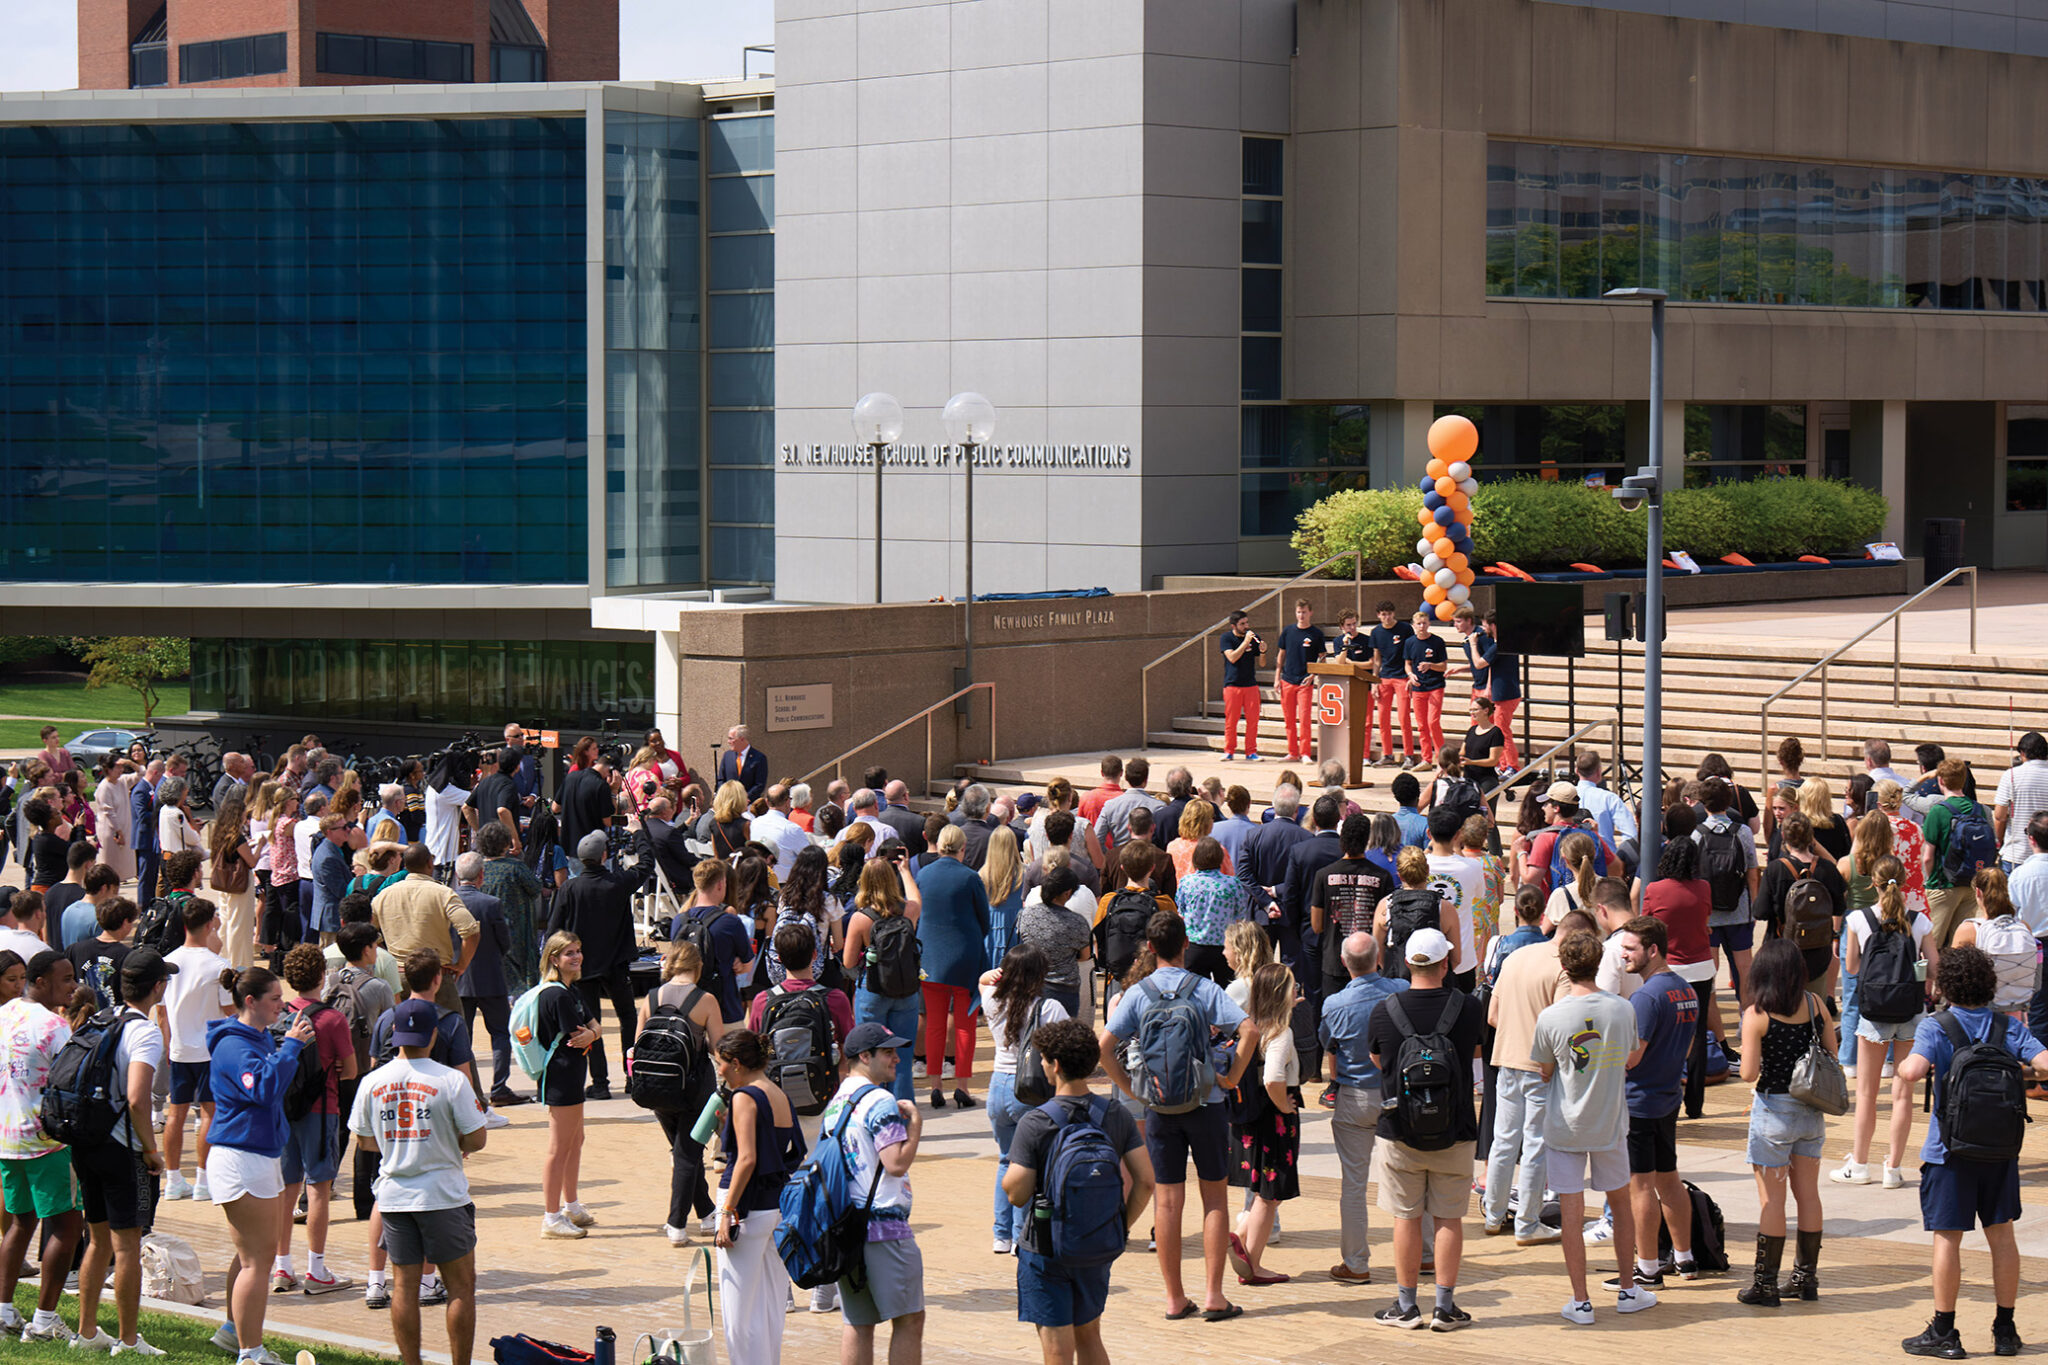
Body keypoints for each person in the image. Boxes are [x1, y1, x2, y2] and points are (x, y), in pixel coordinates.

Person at [1099, 911, 1257, 1322]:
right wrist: (1231, 1077)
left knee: (1167, 1202)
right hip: (1205, 1104)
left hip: (1160, 1107)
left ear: (1149, 948)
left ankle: (1173, 1299)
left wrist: (1133, 1089)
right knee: (1215, 1199)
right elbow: (1250, 1031)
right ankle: (1214, 1296)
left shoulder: (1138, 993)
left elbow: (1104, 1045)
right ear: (1185, 943)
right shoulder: (1203, 989)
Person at [1895, 944, 2047, 1360]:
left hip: (1950, 1152)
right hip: (2000, 1150)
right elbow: (2045, 1062)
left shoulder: (1936, 1025)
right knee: (2003, 1237)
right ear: (1988, 984)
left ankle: (1945, 1329)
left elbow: (1910, 1071)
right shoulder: (2007, 1025)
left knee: (1948, 1239)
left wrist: (1913, 1065)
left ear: (1945, 985)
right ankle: (2006, 1329)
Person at [1001, 1017, 1153, 1365]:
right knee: (1090, 1336)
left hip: (1046, 1248)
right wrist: (1119, 1224)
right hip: (1097, 1243)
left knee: (1057, 1349)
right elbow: (1146, 1181)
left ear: (1055, 1065)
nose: (1041, 1064)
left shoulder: (1036, 1121)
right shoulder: (1114, 1114)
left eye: (1043, 1059)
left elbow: (1017, 1193)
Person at [350, 997, 488, 1365]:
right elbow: (477, 1138)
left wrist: (399, 1140)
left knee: (403, 1288)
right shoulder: (451, 1080)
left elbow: (364, 1142)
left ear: (394, 1033)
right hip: (443, 1195)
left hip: (395, 1197)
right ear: (434, 1034)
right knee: (460, 1287)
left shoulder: (373, 1082)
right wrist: (446, 1140)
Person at [1529, 929, 1652, 1324]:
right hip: (1610, 1121)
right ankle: (1629, 1289)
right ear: (1599, 963)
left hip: (1565, 1124)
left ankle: (1580, 1301)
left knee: (1571, 1212)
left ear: (1563, 967)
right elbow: (1630, 1056)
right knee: (1621, 1206)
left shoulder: (1551, 1016)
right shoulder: (1623, 1008)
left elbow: (1544, 1070)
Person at [1362, 927, 1481, 1330]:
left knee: (1406, 1217)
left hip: (1400, 1130)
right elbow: (1476, 1052)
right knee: (1448, 1218)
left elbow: (1379, 1061)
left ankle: (1405, 1305)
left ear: (1408, 962)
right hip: (1456, 1127)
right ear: (1446, 963)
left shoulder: (1384, 1009)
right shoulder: (1468, 1008)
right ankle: (1445, 1308)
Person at [64, 945, 172, 1355]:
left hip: (87, 1141)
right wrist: (151, 1150)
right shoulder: (144, 1031)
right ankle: (128, 1341)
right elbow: (137, 1099)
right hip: (121, 1147)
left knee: (97, 1240)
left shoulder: (100, 1018)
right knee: (125, 1246)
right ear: (158, 987)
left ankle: (87, 1333)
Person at [204, 965, 314, 1364]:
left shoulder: (259, 1035)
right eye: (273, 999)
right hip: (240, 1157)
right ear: (250, 1001)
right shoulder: (235, 1046)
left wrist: (284, 1047)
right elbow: (265, 1089)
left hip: (258, 1154)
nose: (281, 1006)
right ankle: (250, 1354)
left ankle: (235, 1333)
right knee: (258, 1260)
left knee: (251, 1255)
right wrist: (291, 1048)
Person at [1736, 937, 1837, 1308]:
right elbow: (1832, 1052)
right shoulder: (1814, 1004)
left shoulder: (1756, 1014)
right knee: (1808, 1194)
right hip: (1811, 1113)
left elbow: (1748, 1073)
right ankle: (1805, 1279)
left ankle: (1766, 1285)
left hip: (1773, 1113)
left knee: (1772, 1200)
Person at [822, 1022, 927, 1365]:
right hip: (884, 1228)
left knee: (858, 1323)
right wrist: (914, 1127)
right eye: (888, 1052)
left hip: (847, 1227)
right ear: (864, 1057)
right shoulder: (880, 1100)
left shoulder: (838, 1101)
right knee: (910, 1319)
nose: (897, 1058)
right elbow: (895, 1162)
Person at [1833, 855, 1936, 1190]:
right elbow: (1934, 967)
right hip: (1910, 1011)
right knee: (1903, 1095)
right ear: (1904, 881)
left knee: (1866, 1093)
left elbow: (1850, 967)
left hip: (1873, 1013)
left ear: (1872, 883)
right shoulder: (1919, 921)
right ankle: (1893, 1168)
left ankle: (1859, 1164)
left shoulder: (1859, 919)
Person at [1317, 930, 1408, 1285]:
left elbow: (1329, 1044)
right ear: (1378, 959)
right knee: (1411, 1178)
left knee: (1353, 1184)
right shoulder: (1400, 991)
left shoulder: (1334, 1004)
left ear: (1343, 963)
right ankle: (1427, 1255)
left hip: (1354, 1097)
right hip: (1394, 1094)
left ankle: (1356, 1262)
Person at [0, 950, 81, 1343]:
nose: (73, 986)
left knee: (20, 1222)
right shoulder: (54, 1026)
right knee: (67, 1225)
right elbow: (71, 1082)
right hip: (47, 1140)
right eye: (65, 979)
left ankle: (3, 1311)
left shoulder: (5, 1012)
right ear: (42, 981)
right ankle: (45, 1320)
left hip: (8, 1136)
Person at [709, 1028, 803, 1363]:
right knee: (770, 1300)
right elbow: (792, 1149)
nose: (718, 1070)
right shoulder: (778, 1093)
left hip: (745, 1208)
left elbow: (746, 1158)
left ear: (735, 1063)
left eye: (720, 1063)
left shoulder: (744, 1097)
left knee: (737, 1309)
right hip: (776, 1204)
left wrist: (726, 1211)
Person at [1616, 918, 1700, 1286]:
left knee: (1641, 1186)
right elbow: (1691, 1045)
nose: (1623, 956)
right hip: (1668, 1098)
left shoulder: (1646, 998)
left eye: (1630, 949)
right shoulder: (1687, 991)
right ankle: (1685, 1259)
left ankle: (1648, 1268)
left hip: (1640, 1103)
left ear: (1653, 950)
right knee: (1670, 1180)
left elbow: (1631, 1058)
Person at [271, 944, 357, 1295]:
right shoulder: (332, 1018)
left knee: (285, 1190)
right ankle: (317, 1269)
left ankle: (282, 1267)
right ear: (323, 976)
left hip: (284, 1110)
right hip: (322, 1110)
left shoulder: (280, 1014)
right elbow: (350, 1069)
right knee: (318, 1188)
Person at [979, 943, 1071, 1252]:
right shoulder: (1049, 1008)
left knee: (1006, 1160)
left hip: (997, 1087)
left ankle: (1000, 1234)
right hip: (1030, 1090)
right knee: (1029, 1164)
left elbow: (982, 982)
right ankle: (1021, 1234)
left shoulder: (992, 999)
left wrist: (989, 975)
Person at [636, 940, 725, 1245]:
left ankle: (707, 1212)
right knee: (688, 1154)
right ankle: (676, 1223)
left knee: (684, 1151)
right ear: (698, 966)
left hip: (657, 1087)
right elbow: (718, 1047)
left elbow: (638, 1045)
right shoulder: (706, 1000)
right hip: (695, 1088)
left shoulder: (651, 997)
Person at [545, 831, 640, 1101]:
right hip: (617, 963)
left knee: (590, 1021)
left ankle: (600, 1082)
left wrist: (558, 961)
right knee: (628, 1018)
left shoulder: (570, 888)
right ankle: (632, 1077)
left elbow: (554, 929)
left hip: (583, 966)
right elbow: (645, 866)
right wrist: (642, 833)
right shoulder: (618, 883)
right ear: (603, 856)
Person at [1227, 962, 1302, 1286]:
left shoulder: (1249, 1025)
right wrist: (1285, 1104)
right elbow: (1273, 1077)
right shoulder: (1280, 1032)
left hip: (1248, 1118)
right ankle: (1253, 1261)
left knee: (1261, 1190)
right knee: (1270, 1194)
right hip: (1275, 1119)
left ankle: (1242, 1236)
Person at [1639, 826, 1717, 1119]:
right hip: (1700, 967)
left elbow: (1644, 925)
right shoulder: (1704, 888)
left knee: (1660, 1034)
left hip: (1668, 969)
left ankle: (1662, 1093)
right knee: (1696, 1034)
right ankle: (1695, 1104)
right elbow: (1706, 917)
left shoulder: (1655, 890)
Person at [914, 825, 992, 1110]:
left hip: (930, 958)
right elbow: (984, 919)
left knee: (934, 1023)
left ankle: (935, 1085)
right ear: (962, 848)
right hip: (965, 958)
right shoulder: (970, 877)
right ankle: (962, 1085)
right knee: (964, 1025)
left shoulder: (924, 874)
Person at [160, 898, 232, 1203]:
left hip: (178, 1049)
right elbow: (229, 1010)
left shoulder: (168, 961)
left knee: (175, 1113)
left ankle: (174, 1179)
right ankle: (203, 1179)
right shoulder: (219, 965)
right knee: (208, 1114)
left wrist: (167, 1045)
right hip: (209, 1050)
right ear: (208, 924)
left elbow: (161, 1013)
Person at [532, 932, 599, 1238]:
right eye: (569, 953)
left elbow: (593, 1026)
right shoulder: (556, 995)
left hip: (572, 1074)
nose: (576, 957)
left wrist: (593, 1034)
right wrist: (592, 1033)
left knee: (576, 1140)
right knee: (559, 1148)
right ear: (554, 959)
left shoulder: (570, 990)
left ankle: (571, 1205)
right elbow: (578, 1034)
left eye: (578, 951)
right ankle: (551, 1215)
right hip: (560, 1076)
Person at [840, 858, 924, 1102]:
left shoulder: (860, 919)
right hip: (906, 990)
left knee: (870, 1056)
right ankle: (904, 1112)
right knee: (903, 1057)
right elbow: (917, 900)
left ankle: (876, 1107)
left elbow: (848, 962)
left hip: (872, 990)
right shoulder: (908, 911)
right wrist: (905, 871)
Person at [372, 843, 480, 1014]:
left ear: (405, 865)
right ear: (430, 863)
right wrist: (461, 965)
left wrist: (385, 955)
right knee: (453, 1030)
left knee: (399, 1032)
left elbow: (368, 933)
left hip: (398, 975)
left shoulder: (384, 895)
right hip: (437, 975)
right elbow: (471, 931)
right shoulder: (444, 893)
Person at [449, 853, 517, 1107]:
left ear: (457, 875)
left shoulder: (447, 900)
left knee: (460, 1035)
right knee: (500, 1033)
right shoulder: (491, 904)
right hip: (490, 977)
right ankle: (499, 1088)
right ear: (481, 876)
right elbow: (504, 942)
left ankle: (464, 1087)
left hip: (457, 977)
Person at [1922, 758, 1991, 949]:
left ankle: (1932, 980)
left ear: (1940, 781)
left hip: (1943, 884)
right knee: (1962, 945)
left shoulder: (1938, 812)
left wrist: (1930, 881)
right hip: (1971, 884)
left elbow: (1928, 856)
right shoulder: (1979, 810)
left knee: (1931, 946)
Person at [1363, 601, 1415, 768]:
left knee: (1403, 717)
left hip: (1401, 677)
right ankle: (1387, 754)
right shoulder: (1376, 632)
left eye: (1389, 614)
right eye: (1383, 614)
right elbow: (1376, 659)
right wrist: (1374, 681)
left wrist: (1410, 676)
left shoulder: (1405, 629)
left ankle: (1409, 755)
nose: (1386, 617)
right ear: (1378, 615)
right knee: (1383, 718)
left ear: (1394, 614)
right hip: (1385, 677)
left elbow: (1411, 654)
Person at [1275, 599, 1327, 764]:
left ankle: (1305, 752)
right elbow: (1281, 654)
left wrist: (1313, 674)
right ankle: (1292, 752)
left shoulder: (1316, 634)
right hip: (1288, 679)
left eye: (1304, 612)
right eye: (1298, 612)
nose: (1301, 615)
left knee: (1304, 718)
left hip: (1305, 681)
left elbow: (1323, 657)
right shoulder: (1288, 631)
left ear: (1310, 612)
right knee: (1289, 719)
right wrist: (1277, 677)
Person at [68, 894, 140, 1012]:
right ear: (125, 922)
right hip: (114, 1023)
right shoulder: (129, 956)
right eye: (131, 922)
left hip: (80, 1022)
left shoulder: (75, 950)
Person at [1994, 732, 2048, 874]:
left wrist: (1997, 844)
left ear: (2022, 753)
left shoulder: (2011, 775)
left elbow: (2000, 816)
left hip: (2016, 854)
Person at [1218, 610, 1266, 763]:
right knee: (1231, 720)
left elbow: (1262, 663)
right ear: (1234, 626)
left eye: (1247, 623)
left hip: (1250, 684)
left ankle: (1251, 751)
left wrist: (1263, 652)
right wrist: (1245, 643)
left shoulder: (1254, 638)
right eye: (1242, 624)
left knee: (1253, 720)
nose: (1246, 626)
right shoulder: (1226, 638)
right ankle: (1229, 750)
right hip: (1232, 685)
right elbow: (1231, 657)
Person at [1404, 609, 1451, 763]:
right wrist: (1410, 675)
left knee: (1433, 722)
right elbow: (1407, 664)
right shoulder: (1410, 642)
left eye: (1424, 623)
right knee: (1422, 725)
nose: (1422, 626)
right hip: (1418, 687)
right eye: (1419, 624)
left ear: (1429, 624)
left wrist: (1430, 665)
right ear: (1414, 625)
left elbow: (1443, 666)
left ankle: (1441, 757)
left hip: (1435, 686)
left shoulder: (1437, 641)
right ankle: (1426, 758)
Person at [716, 726, 769, 802]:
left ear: (742, 739)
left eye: (731, 738)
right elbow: (721, 780)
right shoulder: (727, 756)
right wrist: (725, 797)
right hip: (728, 803)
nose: (728, 741)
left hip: (748, 805)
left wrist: (743, 799)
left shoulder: (759, 758)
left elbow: (759, 784)